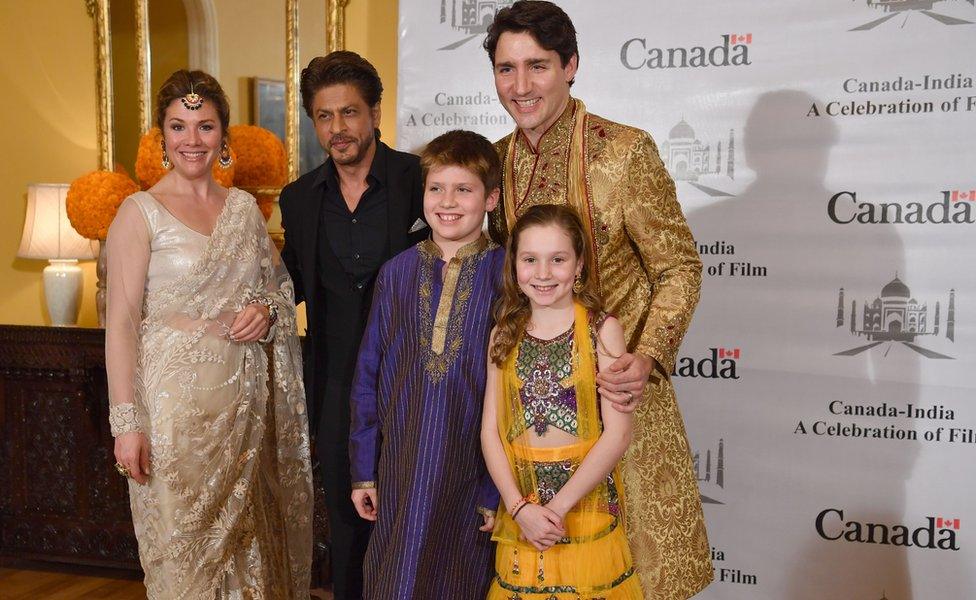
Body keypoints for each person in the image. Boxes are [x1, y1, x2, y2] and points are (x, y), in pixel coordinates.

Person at [482, 3, 712, 597]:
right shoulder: (494, 163)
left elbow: (679, 268)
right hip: (536, 416)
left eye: (538, 66)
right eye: (507, 69)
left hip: (620, 400)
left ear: (572, 65)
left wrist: (647, 357)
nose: (522, 86)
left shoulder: (624, 152)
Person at [105, 69, 313, 599]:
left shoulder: (244, 210)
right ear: (161, 137)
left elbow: (281, 288)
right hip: (173, 416)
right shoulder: (139, 213)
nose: (191, 140)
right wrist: (127, 424)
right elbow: (124, 323)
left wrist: (266, 311)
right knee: (182, 556)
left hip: (242, 412)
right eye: (178, 127)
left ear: (223, 136)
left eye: (204, 126)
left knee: (248, 550)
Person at [278, 51, 428, 600]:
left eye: (349, 113)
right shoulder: (297, 200)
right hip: (337, 384)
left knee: (417, 516)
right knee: (346, 523)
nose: (338, 129)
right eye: (324, 116)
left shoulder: (422, 181)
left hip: (418, 379)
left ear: (375, 114)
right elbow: (290, 280)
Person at [348, 129, 503, 598]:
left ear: (491, 198)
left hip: (471, 467)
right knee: (393, 574)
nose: (447, 201)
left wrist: (495, 492)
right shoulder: (396, 272)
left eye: (464, 189)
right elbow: (368, 375)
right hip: (400, 462)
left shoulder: (510, 275)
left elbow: (517, 393)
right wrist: (363, 469)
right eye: (436, 188)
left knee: (459, 577)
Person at [482, 204, 642, 599]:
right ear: (514, 265)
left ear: (579, 265)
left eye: (557, 260)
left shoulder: (603, 331)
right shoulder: (503, 333)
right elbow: (490, 432)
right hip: (523, 511)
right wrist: (520, 510)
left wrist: (556, 511)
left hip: (583, 509)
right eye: (530, 259)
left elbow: (619, 434)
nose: (543, 273)